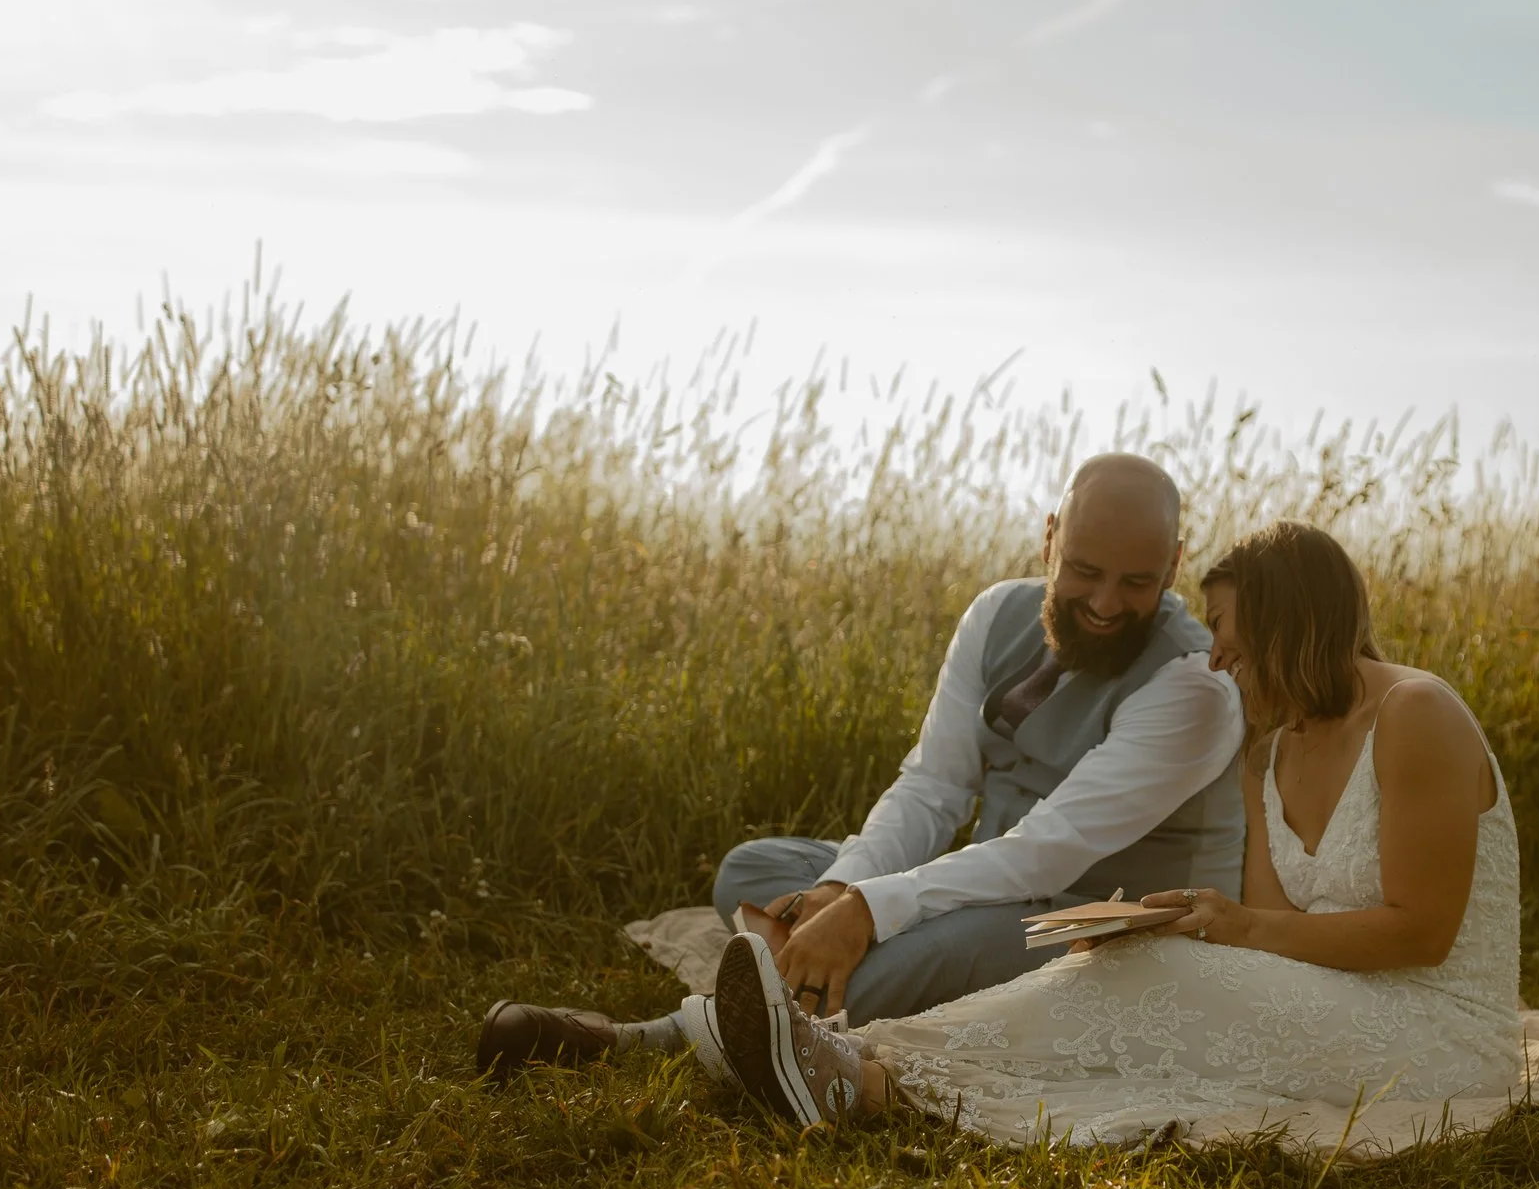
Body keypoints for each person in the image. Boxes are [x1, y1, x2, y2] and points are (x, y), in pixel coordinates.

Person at [701, 518, 1528, 1148]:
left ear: (1283, 623)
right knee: (1136, 960)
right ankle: (857, 1066)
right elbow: (1285, 936)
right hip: (1334, 999)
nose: (1214, 656)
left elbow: (1423, 932)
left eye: (1225, 626)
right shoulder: (1268, 747)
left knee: (1158, 981)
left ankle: (864, 1070)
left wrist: (1230, 928)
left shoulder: (1417, 714)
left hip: (1436, 1031)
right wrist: (1196, 919)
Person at [476, 453, 1247, 1080]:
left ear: (1175, 565)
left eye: (1137, 582)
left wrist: (873, 913)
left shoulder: (1194, 685)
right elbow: (936, 785)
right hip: (989, 883)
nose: (1106, 603)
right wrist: (844, 889)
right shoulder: (995, 616)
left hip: (1093, 919)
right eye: (1084, 570)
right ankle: (812, 965)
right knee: (753, 871)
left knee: (893, 959)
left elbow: (1049, 850)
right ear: (1049, 538)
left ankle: (642, 1040)